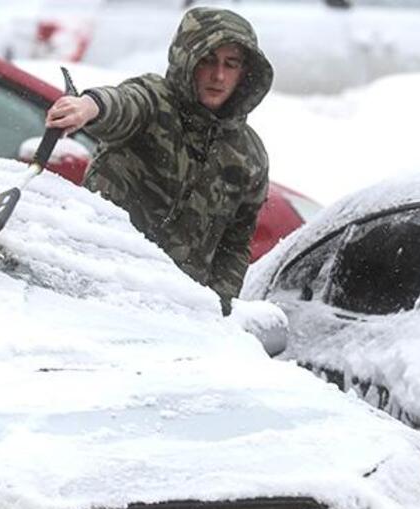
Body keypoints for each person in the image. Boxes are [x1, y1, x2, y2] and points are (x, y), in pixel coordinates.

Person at [46, 7, 273, 315]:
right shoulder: (156, 102)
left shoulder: (249, 156)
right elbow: (124, 103)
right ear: (186, 58)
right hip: (94, 292)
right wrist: (88, 107)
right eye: (207, 60)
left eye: (230, 64)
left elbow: (234, 245)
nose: (218, 75)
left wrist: (217, 312)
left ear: (245, 73)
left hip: (170, 321)